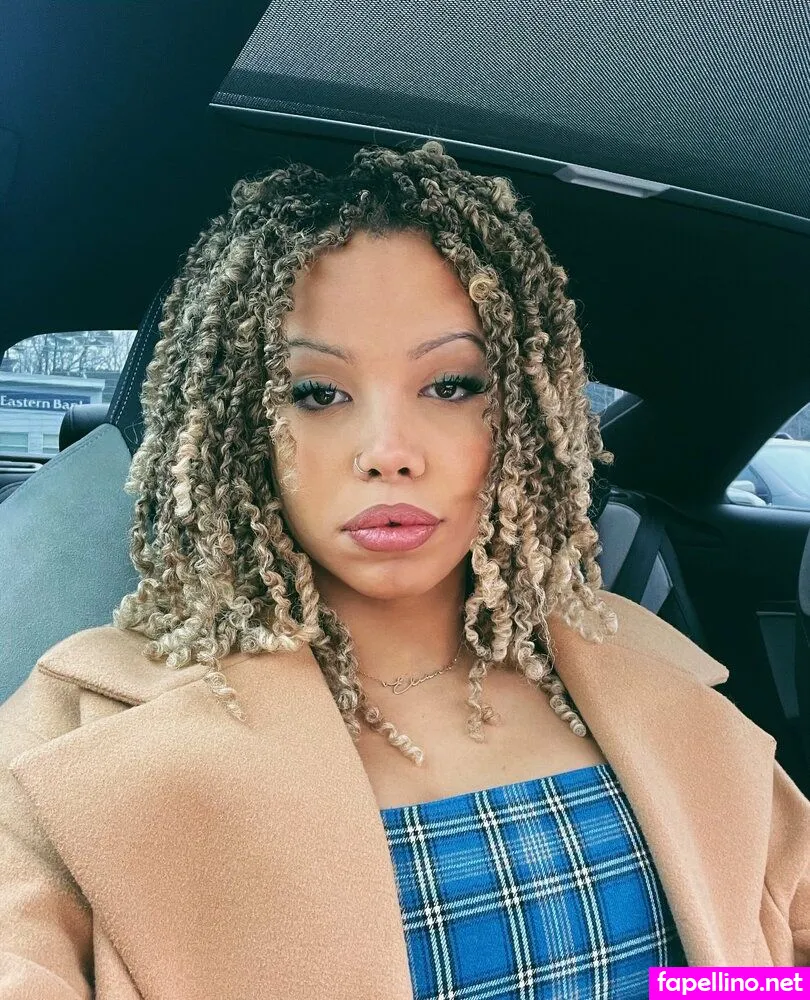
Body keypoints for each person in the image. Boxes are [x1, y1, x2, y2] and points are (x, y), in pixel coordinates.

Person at [0, 140, 808, 999]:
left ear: (524, 418)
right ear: (238, 429)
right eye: (316, 393)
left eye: (451, 385)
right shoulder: (73, 736)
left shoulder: (651, 672)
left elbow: (767, 973)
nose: (388, 452)